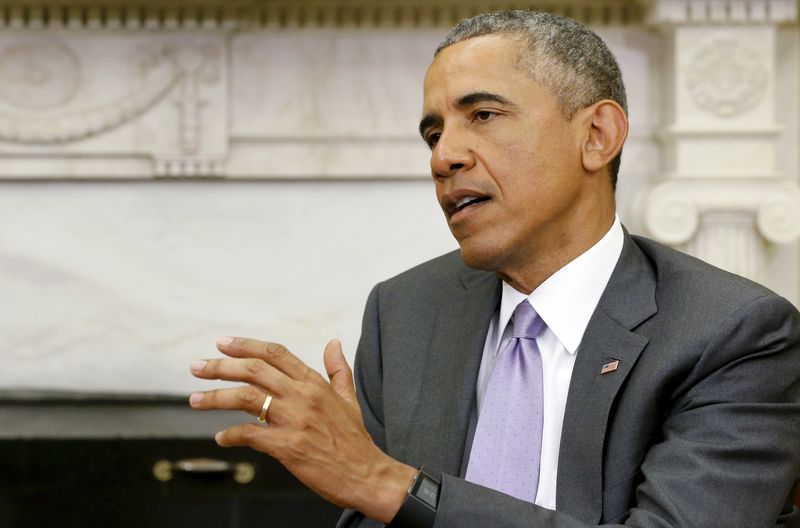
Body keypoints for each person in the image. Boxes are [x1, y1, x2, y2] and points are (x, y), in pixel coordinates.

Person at [189, 10, 800, 527]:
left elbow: (385, 491)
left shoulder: (734, 334)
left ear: (598, 135)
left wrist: (393, 485)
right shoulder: (404, 312)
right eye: (433, 133)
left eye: (482, 115)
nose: (444, 156)